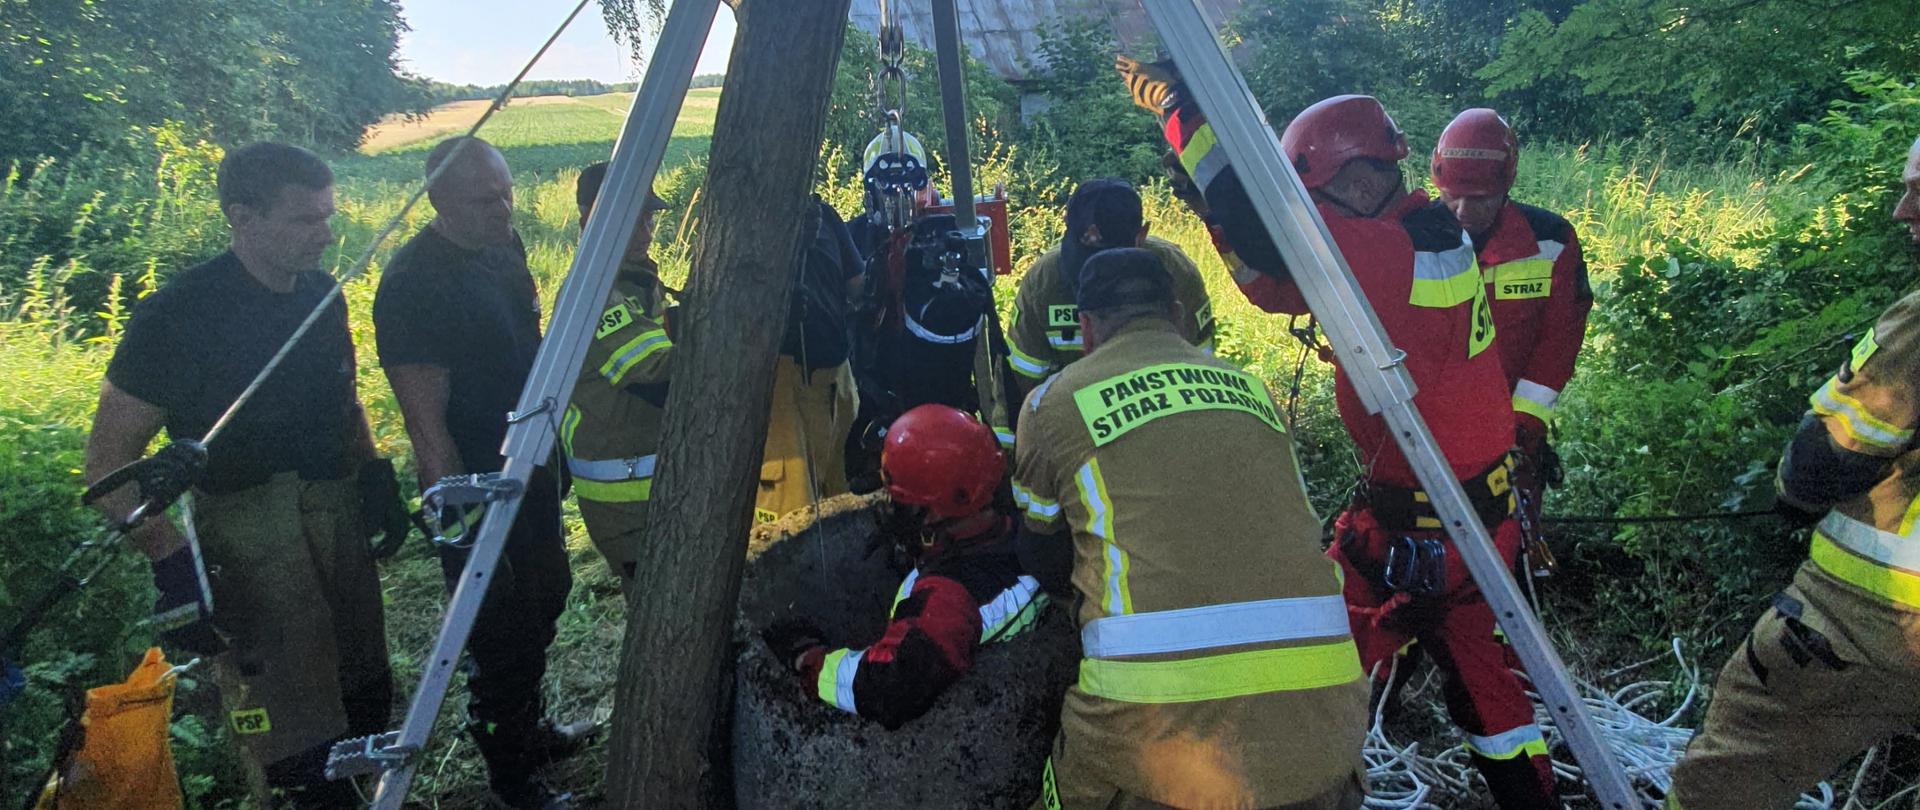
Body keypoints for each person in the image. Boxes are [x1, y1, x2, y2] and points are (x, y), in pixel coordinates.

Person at [1117, 58, 1557, 808]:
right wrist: (1209, 207)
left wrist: (1177, 106)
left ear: (1354, 182)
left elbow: (1268, 228)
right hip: (1448, 518)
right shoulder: (1409, 234)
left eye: (1318, 194)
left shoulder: (1395, 246)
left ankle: (1275, 784)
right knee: (1485, 694)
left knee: (1313, 658)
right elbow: (1273, 287)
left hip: (1436, 528)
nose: (1317, 209)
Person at [84, 142, 393, 808]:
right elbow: (108, 467)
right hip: (248, 535)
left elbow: (346, 397)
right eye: (303, 221)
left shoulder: (322, 294)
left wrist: (374, 475)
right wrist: (172, 563)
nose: (326, 234)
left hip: (334, 509)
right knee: (296, 728)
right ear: (242, 218)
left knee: (364, 690)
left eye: (328, 215)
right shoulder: (176, 316)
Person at [1011, 247, 1368, 808]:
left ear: (1085, 328)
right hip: (1328, 728)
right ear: (1177, 314)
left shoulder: (1050, 406)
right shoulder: (1254, 392)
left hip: (1148, 736)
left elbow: (1040, 549)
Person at [1666, 135, 1920, 809]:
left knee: (1722, 782)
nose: (1901, 212)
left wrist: (1794, 496)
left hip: (1867, 623)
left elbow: (1821, 459)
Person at [372, 136, 585, 809]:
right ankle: (511, 777)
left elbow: (526, 338)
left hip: (530, 460)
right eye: (482, 199)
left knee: (547, 592)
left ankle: (531, 727)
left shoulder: (504, 246)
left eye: (505, 192)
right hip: (473, 481)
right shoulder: (413, 285)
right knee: (496, 625)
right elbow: (422, 420)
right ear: (438, 201)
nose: (501, 207)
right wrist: (458, 522)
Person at [759, 404, 1047, 729]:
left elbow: (890, 684)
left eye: (903, 503)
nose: (893, 510)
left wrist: (811, 662)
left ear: (938, 511)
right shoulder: (1019, 530)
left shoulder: (946, 599)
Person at [1430, 108, 1593, 539]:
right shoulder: (1408, 239)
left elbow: (1558, 343)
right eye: (1452, 197)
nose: (1463, 210)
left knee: (1511, 543)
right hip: (1428, 431)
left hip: (1514, 438)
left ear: (1505, 185)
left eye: (1479, 199)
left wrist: (1521, 427)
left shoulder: (1550, 242)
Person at [1001, 178, 1216, 448]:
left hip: (1163, 425)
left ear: (1141, 236)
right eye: (1083, 269)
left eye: (1109, 269)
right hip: (1073, 432)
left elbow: (1202, 375)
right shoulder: (1044, 284)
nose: (1092, 284)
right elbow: (1018, 391)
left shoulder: (1176, 276)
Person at [559, 161, 674, 591]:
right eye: (632, 217)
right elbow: (659, 379)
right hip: (627, 507)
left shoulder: (632, 279)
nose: (645, 229)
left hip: (649, 493)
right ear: (592, 217)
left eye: (649, 216)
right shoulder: (596, 294)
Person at [755, 196, 865, 524]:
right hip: (785, 382)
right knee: (792, 508)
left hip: (837, 379)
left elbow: (857, 285)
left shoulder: (826, 215)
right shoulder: (750, 221)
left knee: (842, 495)